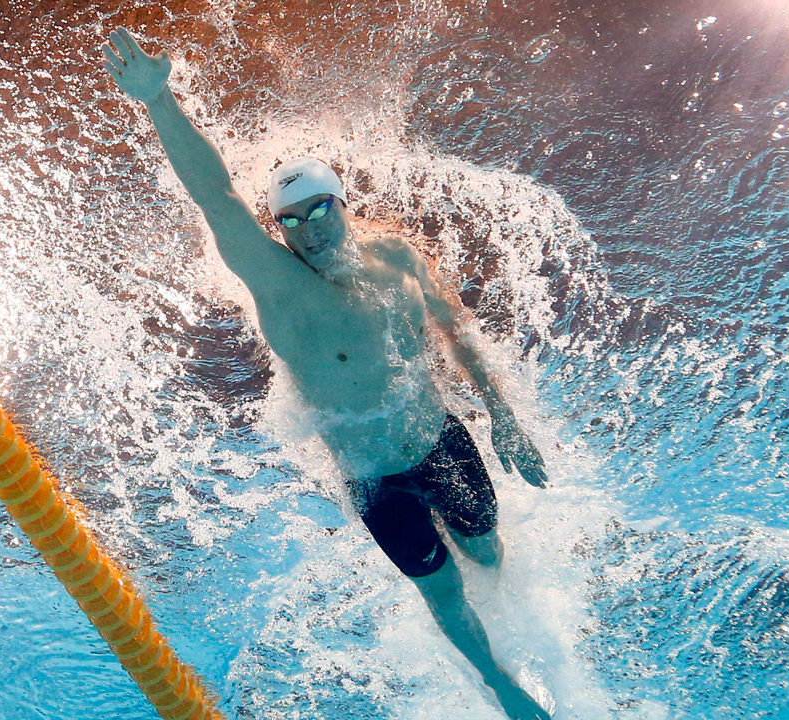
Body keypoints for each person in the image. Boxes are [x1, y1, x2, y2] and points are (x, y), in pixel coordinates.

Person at [103, 28, 552, 720]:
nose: (310, 228)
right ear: (278, 230)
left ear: (343, 203)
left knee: (488, 551)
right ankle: (502, 688)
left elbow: (457, 330)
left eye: (321, 209)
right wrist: (160, 100)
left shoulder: (397, 258)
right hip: (376, 480)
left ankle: (513, 611)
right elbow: (216, 197)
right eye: (292, 220)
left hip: (442, 442)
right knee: (442, 593)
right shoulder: (279, 287)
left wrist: (505, 415)